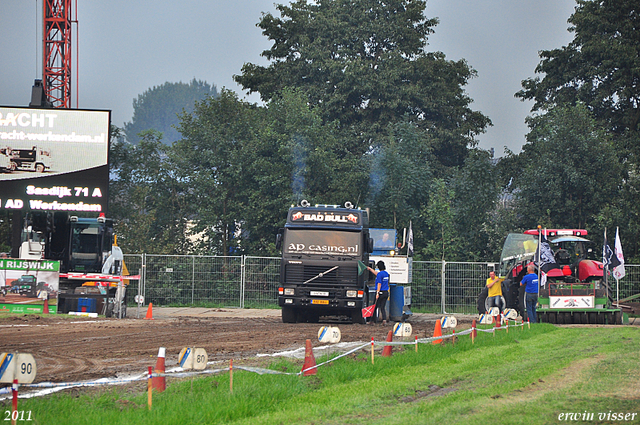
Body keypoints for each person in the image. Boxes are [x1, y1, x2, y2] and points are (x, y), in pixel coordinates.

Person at [367, 260, 390, 325]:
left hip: (380, 292)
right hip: (386, 292)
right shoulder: (386, 273)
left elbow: (379, 284)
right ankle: (384, 320)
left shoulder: (380, 274)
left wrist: (377, 293)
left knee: (375, 306)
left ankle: (372, 321)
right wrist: (370, 269)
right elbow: (377, 273)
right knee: (382, 307)